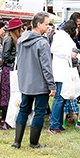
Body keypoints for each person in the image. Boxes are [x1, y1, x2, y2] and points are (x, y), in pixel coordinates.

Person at [11, 11, 57, 149]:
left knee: (24, 109)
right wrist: (52, 85)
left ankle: (17, 142)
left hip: (26, 81)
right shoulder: (42, 43)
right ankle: (34, 143)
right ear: (38, 24)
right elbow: (46, 66)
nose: (48, 27)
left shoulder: (21, 40)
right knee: (39, 111)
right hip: (40, 82)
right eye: (46, 24)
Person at [49, 19, 80, 134]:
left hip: (65, 72)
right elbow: (54, 49)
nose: (78, 31)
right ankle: (53, 125)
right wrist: (68, 54)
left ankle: (57, 124)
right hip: (61, 72)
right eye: (77, 28)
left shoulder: (64, 37)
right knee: (59, 99)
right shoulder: (60, 36)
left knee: (61, 99)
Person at [0, 18, 24, 130]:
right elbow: (6, 56)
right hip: (9, 70)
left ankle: (8, 119)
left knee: (12, 94)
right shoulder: (9, 39)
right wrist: (17, 59)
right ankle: (4, 120)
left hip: (12, 69)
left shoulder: (14, 39)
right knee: (7, 95)